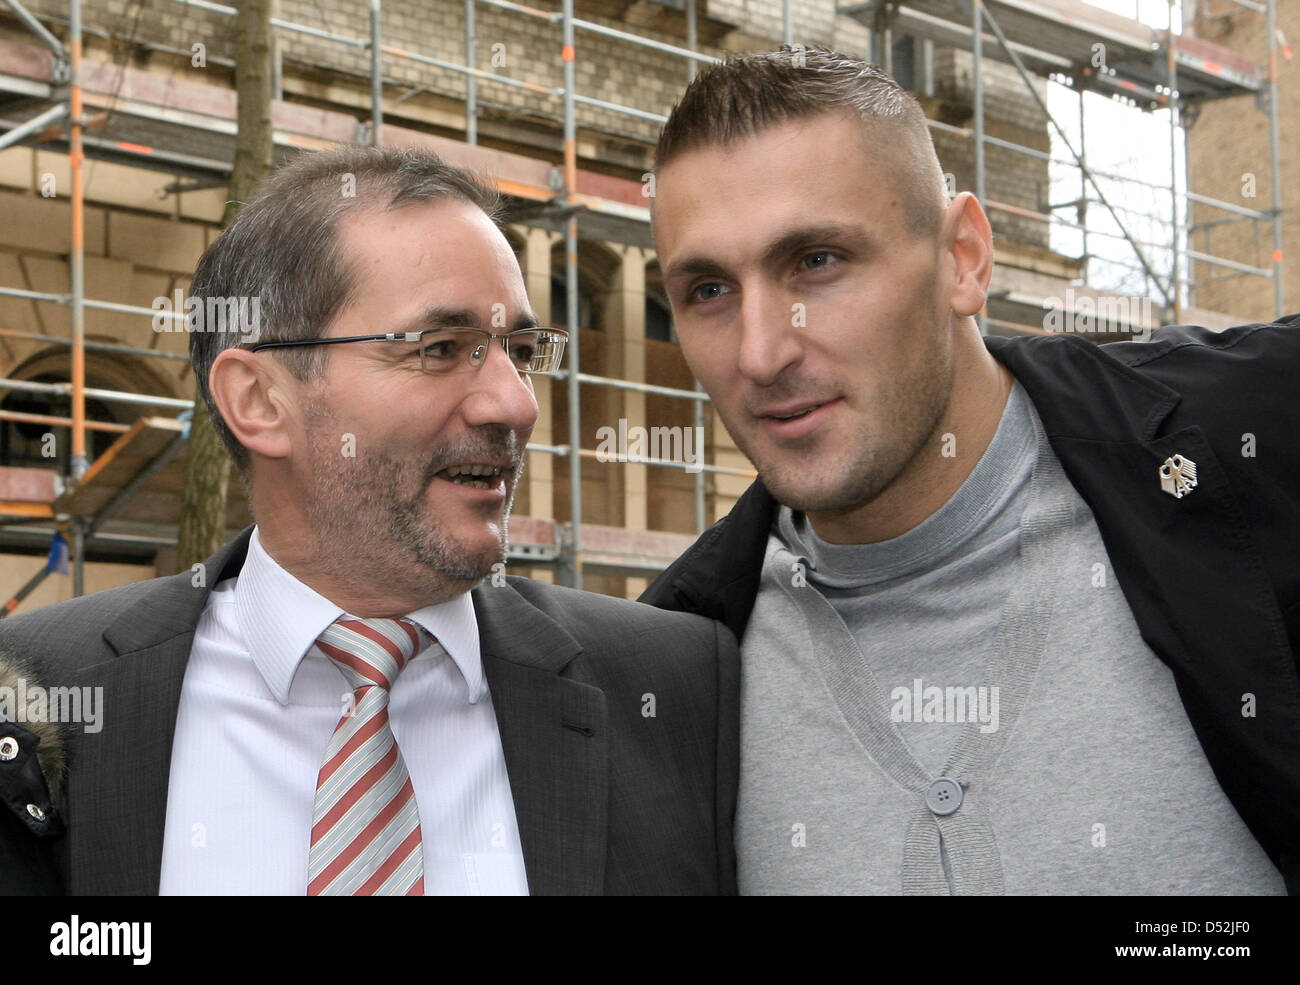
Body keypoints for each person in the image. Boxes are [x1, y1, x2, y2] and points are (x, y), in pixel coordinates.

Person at [640, 46, 1300, 895]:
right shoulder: (676, 668)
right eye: (708, 290)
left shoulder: (1256, 444)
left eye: (816, 261)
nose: (762, 352)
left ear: (963, 258)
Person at [0, 144, 739, 895]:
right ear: (259, 400)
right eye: (441, 348)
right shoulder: (37, 692)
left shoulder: (675, 687)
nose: (516, 404)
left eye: (519, 351)